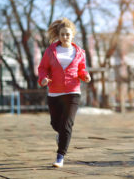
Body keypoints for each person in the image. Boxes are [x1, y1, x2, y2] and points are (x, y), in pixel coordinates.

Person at [38, 18, 91, 168]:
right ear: (58, 35)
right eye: (62, 34)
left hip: (73, 92)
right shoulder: (50, 51)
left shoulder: (80, 52)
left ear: (72, 34)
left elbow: (81, 69)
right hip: (54, 93)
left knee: (67, 125)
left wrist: (84, 75)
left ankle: (60, 157)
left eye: (67, 34)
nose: (65, 37)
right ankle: (60, 135)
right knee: (56, 124)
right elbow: (42, 68)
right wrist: (43, 79)